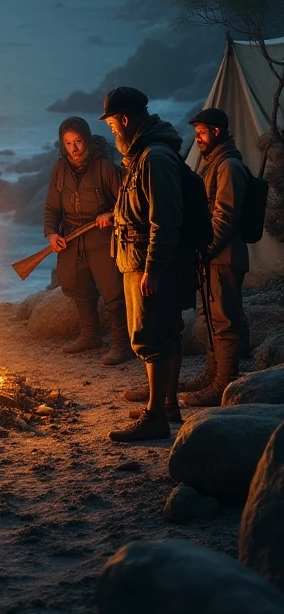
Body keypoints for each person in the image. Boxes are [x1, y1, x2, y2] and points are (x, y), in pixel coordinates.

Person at [102, 87, 186, 442]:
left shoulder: (154, 159)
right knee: (165, 333)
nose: (111, 131)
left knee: (151, 337)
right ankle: (165, 406)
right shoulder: (142, 155)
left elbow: (164, 221)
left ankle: (155, 419)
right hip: (138, 260)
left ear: (124, 119)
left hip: (146, 264)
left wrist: (152, 269)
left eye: (111, 124)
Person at [45, 117, 132, 365]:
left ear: (87, 140)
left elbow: (127, 204)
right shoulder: (59, 169)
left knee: (113, 289)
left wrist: (111, 215)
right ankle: (90, 336)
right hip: (71, 236)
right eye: (68, 143)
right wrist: (52, 233)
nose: (73, 149)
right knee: (76, 285)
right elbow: (52, 207)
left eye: (78, 142)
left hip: (101, 237)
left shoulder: (106, 167)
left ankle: (121, 345)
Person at [180, 108, 250, 406]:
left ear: (217, 132)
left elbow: (224, 217)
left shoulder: (228, 167)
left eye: (201, 132)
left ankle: (225, 383)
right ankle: (213, 376)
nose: (197, 138)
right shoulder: (215, 164)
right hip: (214, 257)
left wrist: (205, 250)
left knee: (224, 319)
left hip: (224, 257)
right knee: (210, 316)